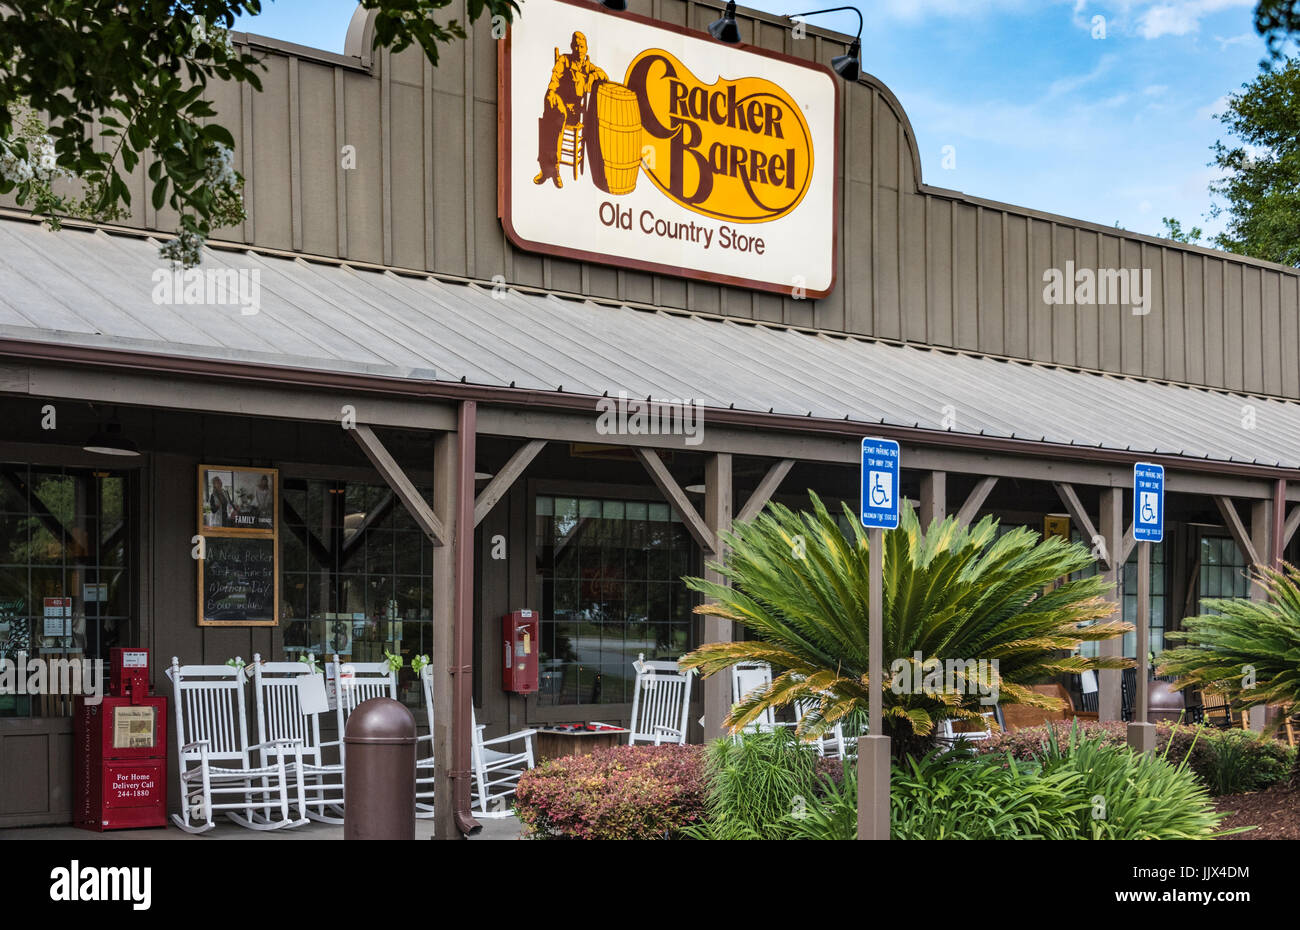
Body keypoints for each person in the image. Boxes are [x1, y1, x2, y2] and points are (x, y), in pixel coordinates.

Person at [533, 31, 607, 189]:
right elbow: (554, 78)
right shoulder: (564, 60)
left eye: (582, 46)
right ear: (572, 47)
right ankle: (552, 169)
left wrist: (593, 77)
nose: (579, 49)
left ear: (586, 49)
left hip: (574, 112)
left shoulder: (588, 67)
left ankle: (549, 169)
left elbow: (603, 75)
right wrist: (551, 92)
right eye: (576, 46)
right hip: (559, 103)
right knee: (553, 115)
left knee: (550, 122)